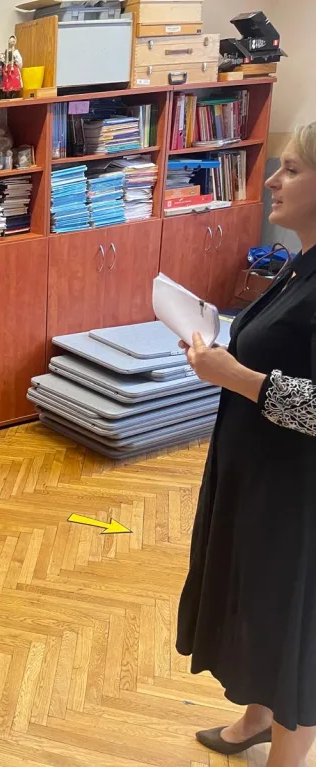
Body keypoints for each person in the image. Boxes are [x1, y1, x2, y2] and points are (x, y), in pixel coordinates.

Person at [177, 121, 316, 767]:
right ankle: (257, 718)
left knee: (291, 619)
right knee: (254, 597)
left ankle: (288, 754)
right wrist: (217, 352)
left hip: (298, 492)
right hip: (255, 470)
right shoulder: (298, 263)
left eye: (291, 169)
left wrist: (234, 376)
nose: (272, 181)